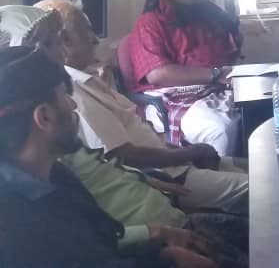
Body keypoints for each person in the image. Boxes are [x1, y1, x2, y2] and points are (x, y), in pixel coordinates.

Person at [0, 46, 217, 268]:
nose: (73, 104)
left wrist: (164, 255)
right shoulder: (16, 228)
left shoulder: (56, 176)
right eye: (64, 96)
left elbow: (102, 244)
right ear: (44, 117)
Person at [37, 0, 248, 215]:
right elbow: (125, 156)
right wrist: (190, 153)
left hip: (176, 163)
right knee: (261, 190)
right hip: (168, 178)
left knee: (261, 170)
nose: (95, 40)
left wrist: (185, 152)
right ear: (65, 40)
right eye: (87, 31)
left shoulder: (89, 78)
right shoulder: (74, 92)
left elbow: (139, 137)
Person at [129, 0, 242, 156]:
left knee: (262, 108)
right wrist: (216, 74)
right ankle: (221, 175)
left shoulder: (204, 11)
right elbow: (158, 75)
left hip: (215, 87)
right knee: (219, 131)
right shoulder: (149, 23)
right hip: (173, 97)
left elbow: (229, 47)